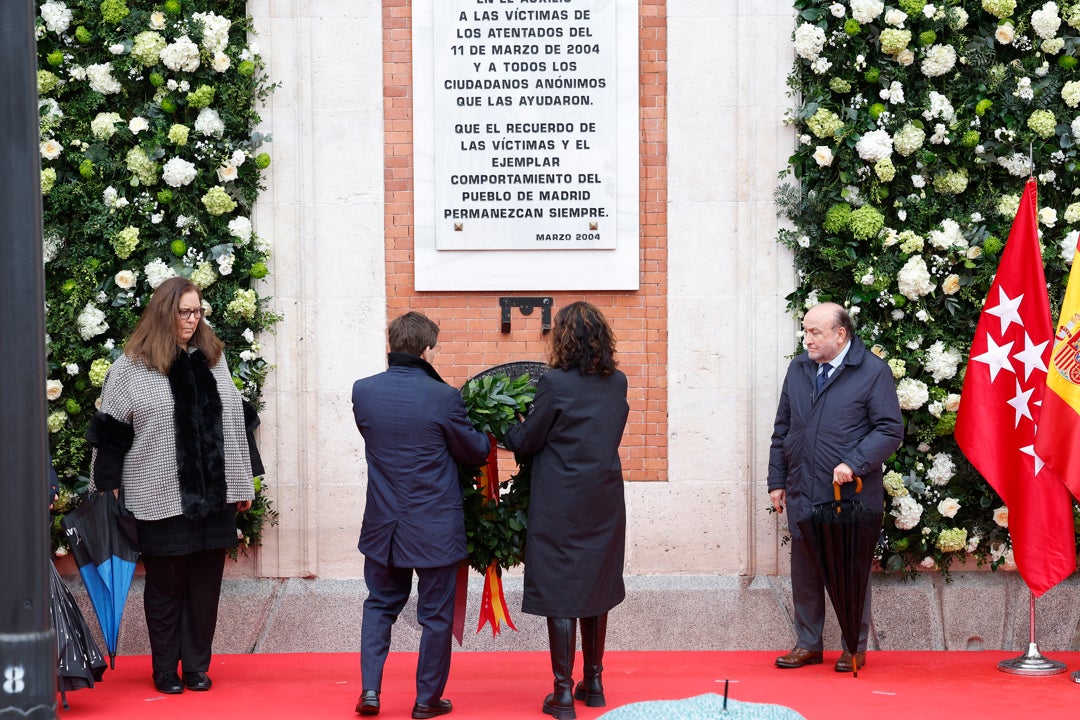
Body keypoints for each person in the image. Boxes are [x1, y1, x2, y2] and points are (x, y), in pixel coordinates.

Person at [88, 276, 259, 695]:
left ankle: (196, 666)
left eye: (197, 311)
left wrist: (243, 482)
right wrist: (108, 493)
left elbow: (238, 421)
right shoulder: (131, 367)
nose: (192, 319)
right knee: (165, 588)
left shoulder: (213, 359)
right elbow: (110, 434)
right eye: (184, 311)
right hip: (158, 496)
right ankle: (165, 668)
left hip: (215, 496)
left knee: (206, 588)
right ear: (164, 313)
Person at [351, 311, 490, 720]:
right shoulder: (443, 397)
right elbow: (474, 452)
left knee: (379, 604)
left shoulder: (363, 391)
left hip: (383, 524)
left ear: (391, 345)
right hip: (433, 526)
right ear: (428, 350)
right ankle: (426, 701)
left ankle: (371, 691)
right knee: (435, 616)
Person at [502, 301, 629, 720]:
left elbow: (527, 440)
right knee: (597, 589)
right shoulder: (618, 382)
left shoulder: (554, 383)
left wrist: (506, 424)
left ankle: (561, 694)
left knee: (561, 592)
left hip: (561, 501)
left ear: (563, 338)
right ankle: (593, 681)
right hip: (605, 499)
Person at [768, 302, 903, 673]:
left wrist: (853, 461)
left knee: (849, 571)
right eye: (805, 331)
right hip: (802, 489)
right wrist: (777, 481)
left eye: (815, 332)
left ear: (840, 334)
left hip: (849, 494)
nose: (806, 339)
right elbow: (784, 428)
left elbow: (890, 430)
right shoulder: (798, 368)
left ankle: (854, 648)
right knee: (805, 570)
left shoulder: (872, 371)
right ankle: (808, 644)